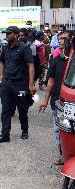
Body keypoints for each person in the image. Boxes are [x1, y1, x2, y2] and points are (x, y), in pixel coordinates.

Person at [0, 26, 36, 143]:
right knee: (5, 109)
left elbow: (31, 66)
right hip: (6, 84)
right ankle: (5, 134)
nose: (6, 35)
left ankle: (25, 130)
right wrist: (1, 76)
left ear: (16, 34)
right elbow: (2, 63)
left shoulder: (24, 48)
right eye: (5, 33)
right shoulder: (5, 48)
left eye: (9, 33)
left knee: (22, 108)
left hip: (20, 85)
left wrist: (31, 84)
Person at [38, 31, 72, 165]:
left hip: (72, 102)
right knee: (59, 130)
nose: (60, 40)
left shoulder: (73, 61)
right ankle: (64, 156)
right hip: (58, 102)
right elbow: (51, 81)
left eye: (64, 38)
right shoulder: (56, 60)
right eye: (59, 38)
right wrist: (45, 100)